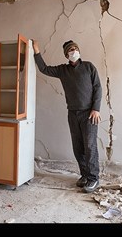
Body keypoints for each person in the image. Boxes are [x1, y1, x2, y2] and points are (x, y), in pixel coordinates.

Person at [32, 39, 102, 193]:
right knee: (78, 147)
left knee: (90, 146)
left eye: (75, 48)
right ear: (66, 55)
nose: (73, 51)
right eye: (70, 50)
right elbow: (44, 69)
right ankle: (84, 175)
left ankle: (93, 178)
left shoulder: (89, 67)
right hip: (73, 113)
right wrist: (36, 51)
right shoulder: (63, 70)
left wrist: (96, 109)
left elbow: (97, 87)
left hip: (89, 114)